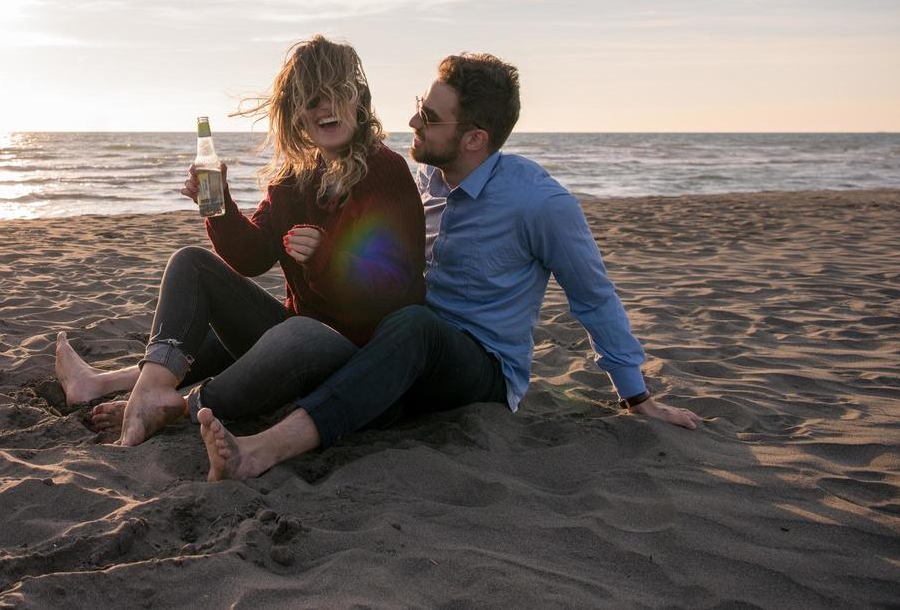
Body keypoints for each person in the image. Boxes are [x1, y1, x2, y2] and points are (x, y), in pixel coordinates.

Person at [199, 52, 702, 480]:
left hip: (477, 368)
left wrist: (638, 399)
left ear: (474, 139)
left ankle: (263, 450)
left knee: (414, 325)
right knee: (327, 335)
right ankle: (160, 388)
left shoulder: (540, 203)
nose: (414, 121)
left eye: (431, 117)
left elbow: (593, 297)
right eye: (421, 107)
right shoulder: (421, 182)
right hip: (395, 351)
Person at [54, 35, 426, 446]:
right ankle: (155, 388)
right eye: (312, 99)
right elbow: (251, 258)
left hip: (355, 358)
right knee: (190, 262)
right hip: (292, 340)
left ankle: (183, 406)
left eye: (339, 94)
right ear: (295, 113)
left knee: (298, 332)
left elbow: (397, 291)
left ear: (360, 100)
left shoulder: (383, 171)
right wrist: (218, 209)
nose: (326, 108)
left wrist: (326, 258)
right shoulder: (293, 179)